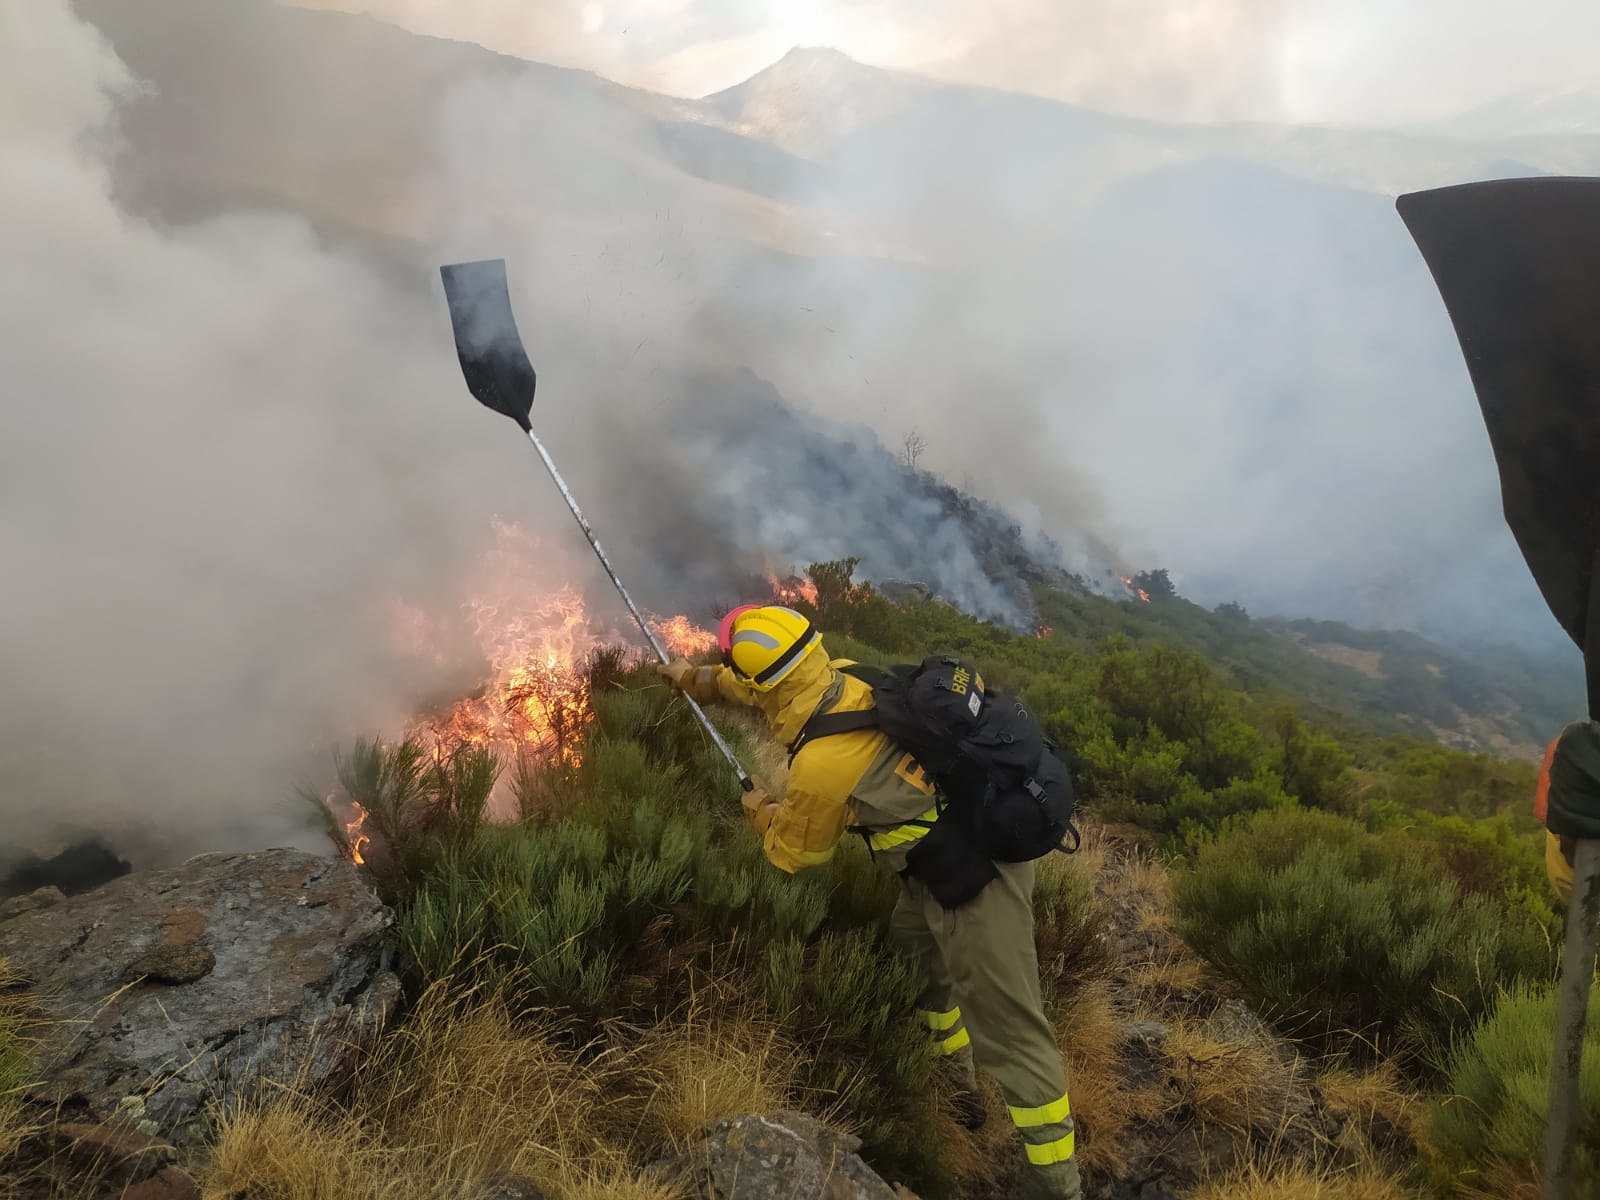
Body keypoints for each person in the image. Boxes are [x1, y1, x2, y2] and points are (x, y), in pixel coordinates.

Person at [656, 603, 1081, 1200]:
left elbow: (796, 855)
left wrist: (760, 811)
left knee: (1012, 1033)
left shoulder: (820, 766)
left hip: (976, 880)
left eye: (738, 670)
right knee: (915, 961)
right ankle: (959, 1089)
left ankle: (1056, 1184)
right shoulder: (845, 673)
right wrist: (698, 680)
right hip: (929, 869)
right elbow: (760, 688)